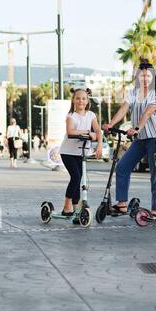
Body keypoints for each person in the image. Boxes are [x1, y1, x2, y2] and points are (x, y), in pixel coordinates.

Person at [103, 60, 156, 217]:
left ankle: (155, 210)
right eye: (142, 75)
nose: (145, 78)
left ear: (153, 77)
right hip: (139, 139)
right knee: (122, 167)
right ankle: (122, 204)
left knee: (155, 175)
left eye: (148, 75)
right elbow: (124, 109)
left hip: (155, 139)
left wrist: (137, 128)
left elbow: (148, 112)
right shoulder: (133, 92)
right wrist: (111, 124)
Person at [60, 88, 102, 220]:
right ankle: (67, 206)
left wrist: (99, 144)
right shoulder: (71, 116)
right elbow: (70, 131)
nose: (81, 101)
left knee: (78, 180)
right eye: (78, 98)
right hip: (68, 152)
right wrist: (87, 133)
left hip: (81, 152)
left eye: (83, 98)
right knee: (76, 178)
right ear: (73, 100)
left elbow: (98, 131)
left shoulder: (91, 115)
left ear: (87, 101)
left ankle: (76, 209)